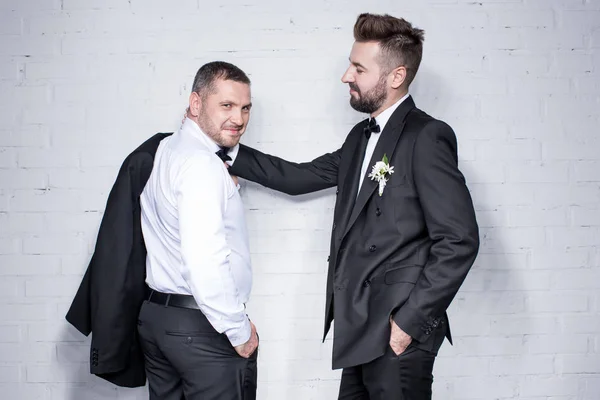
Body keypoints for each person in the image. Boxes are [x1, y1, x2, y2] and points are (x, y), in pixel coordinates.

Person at [228, 13, 479, 399]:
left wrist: (408, 323)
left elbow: (459, 240)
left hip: (398, 331)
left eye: (358, 68)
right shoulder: (360, 138)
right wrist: (221, 149)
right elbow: (297, 178)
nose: (346, 75)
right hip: (361, 325)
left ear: (395, 77)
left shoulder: (427, 137)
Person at [138, 61, 259, 400]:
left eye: (245, 107)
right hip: (201, 327)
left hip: (158, 319)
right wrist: (238, 331)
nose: (238, 118)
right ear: (195, 104)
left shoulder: (168, 149)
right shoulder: (202, 165)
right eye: (227, 106)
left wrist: (227, 187)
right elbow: (204, 259)